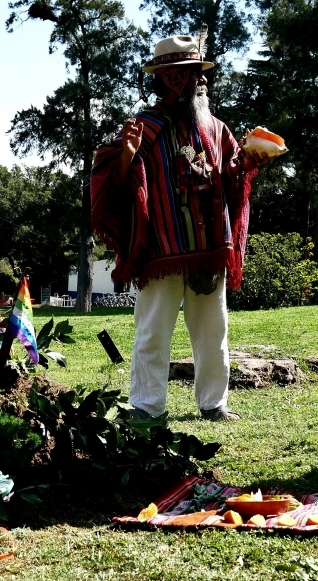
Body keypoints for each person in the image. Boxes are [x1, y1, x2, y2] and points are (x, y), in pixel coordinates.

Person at [90, 34, 275, 421]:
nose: (184, 81)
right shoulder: (143, 128)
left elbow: (230, 175)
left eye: (189, 73)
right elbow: (113, 185)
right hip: (159, 250)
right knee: (152, 331)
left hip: (210, 249)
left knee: (212, 332)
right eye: (172, 74)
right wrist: (126, 156)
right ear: (160, 78)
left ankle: (214, 403)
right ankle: (146, 405)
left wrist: (251, 161)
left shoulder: (216, 129)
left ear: (197, 76)